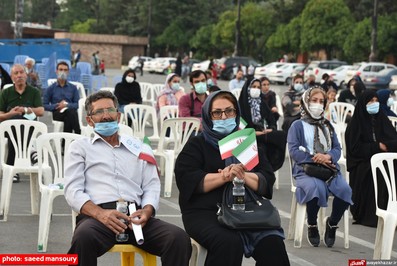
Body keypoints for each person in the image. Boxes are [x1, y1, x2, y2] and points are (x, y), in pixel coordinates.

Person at [64, 90, 192, 266]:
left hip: (136, 217)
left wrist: (147, 211)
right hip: (99, 217)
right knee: (83, 238)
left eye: (110, 110)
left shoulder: (139, 147)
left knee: (178, 239)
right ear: (89, 120)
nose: (106, 116)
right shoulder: (79, 148)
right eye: (99, 112)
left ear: (118, 116)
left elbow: (151, 186)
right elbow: (73, 191)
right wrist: (100, 214)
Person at [175, 90, 290, 266]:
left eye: (229, 111)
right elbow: (186, 179)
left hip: (247, 210)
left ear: (236, 113)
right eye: (217, 113)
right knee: (228, 242)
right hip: (206, 212)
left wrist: (242, 175)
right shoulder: (197, 144)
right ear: (208, 116)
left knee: (272, 243)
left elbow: (267, 179)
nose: (224, 117)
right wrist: (224, 176)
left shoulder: (246, 143)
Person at [288, 86, 352, 247]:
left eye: (321, 101)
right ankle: (312, 223)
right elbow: (294, 151)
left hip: (329, 169)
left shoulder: (327, 125)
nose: (318, 104)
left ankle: (332, 223)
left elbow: (337, 148)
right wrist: (316, 159)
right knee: (317, 188)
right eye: (314, 100)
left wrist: (328, 156)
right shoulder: (297, 125)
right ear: (306, 102)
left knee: (346, 190)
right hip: (306, 170)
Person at [345, 89, 397, 227]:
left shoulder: (382, 119)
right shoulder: (355, 124)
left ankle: (392, 213)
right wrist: (376, 146)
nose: (374, 104)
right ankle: (371, 214)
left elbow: (394, 139)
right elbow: (355, 149)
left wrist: (386, 145)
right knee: (378, 171)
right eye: (371, 101)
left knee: (391, 168)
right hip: (362, 162)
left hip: (382, 159)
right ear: (363, 104)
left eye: (376, 101)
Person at [0, 64, 44, 182]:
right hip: (10, 126)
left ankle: (12, 168)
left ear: (26, 74)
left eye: (21, 72)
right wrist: (10, 113)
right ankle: (30, 151)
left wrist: (25, 110)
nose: (19, 75)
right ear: (12, 77)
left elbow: (41, 111)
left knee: (23, 119)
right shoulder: (6, 92)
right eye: (16, 73)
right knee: (14, 124)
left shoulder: (33, 92)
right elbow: (0, 115)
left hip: (29, 126)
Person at [239, 78, 287, 172]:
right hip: (248, 135)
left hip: (263, 133)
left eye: (258, 87)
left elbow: (271, 120)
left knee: (282, 135)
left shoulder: (262, 103)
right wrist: (254, 132)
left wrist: (271, 129)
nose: (256, 89)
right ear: (248, 88)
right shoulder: (241, 104)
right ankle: (266, 174)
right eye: (253, 87)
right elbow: (239, 126)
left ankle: (270, 168)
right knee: (261, 149)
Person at [43, 61, 81, 134]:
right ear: (56, 71)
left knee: (69, 115)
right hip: (57, 113)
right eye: (60, 69)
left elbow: (77, 104)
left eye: (65, 70)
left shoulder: (73, 88)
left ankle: (64, 142)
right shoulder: (51, 88)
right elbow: (44, 105)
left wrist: (66, 105)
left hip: (69, 112)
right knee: (71, 113)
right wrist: (57, 106)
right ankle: (78, 133)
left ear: (68, 72)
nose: (63, 72)